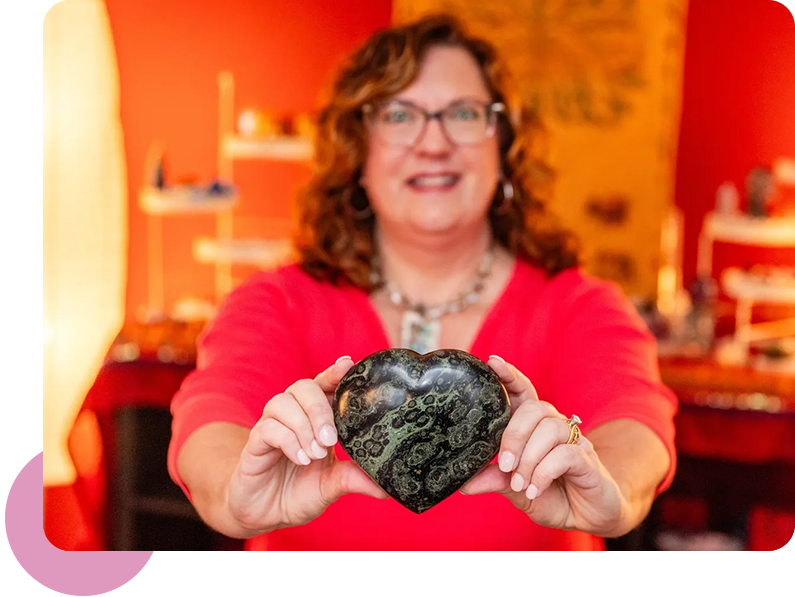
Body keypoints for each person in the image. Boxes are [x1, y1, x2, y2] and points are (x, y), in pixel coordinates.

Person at [167, 13, 677, 551]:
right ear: (357, 152)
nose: (433, 142)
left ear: (502, 148)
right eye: (399, 115)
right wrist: (233, 492)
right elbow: (211, 418)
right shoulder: (274, 303)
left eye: (463, 113)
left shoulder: (584, 307)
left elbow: (634, 424)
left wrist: (612, 489)